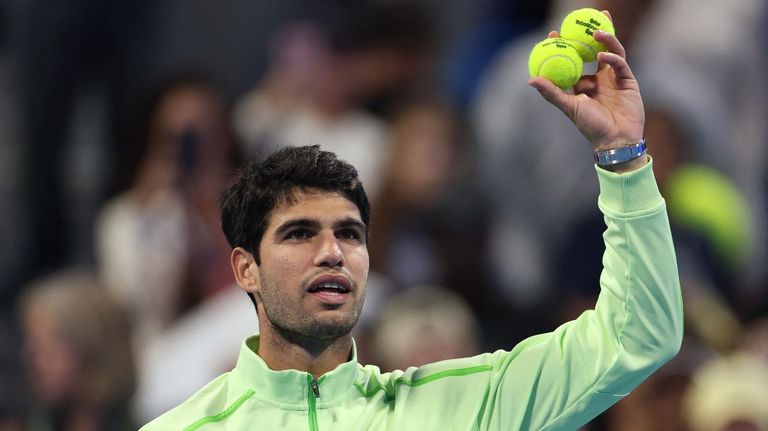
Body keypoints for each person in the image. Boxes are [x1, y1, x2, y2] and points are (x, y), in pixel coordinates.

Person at [142, 21, 683, 430]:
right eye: (300, 233)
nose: (332, 252)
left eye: (349, 234)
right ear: (246, 268)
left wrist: (622, 156)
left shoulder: (465, 404)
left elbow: (637, 336)